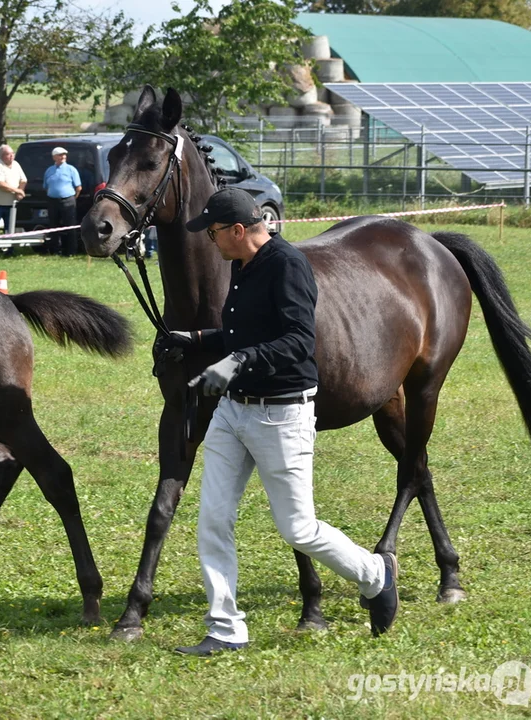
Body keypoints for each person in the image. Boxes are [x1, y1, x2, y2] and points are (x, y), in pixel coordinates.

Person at [161, 187, 399, 657]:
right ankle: (225, 629)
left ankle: (376, 574)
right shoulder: (241, 265)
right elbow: (239, 332)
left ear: (237, 230)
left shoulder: (288, 266)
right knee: (213, 519)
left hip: (281, 413)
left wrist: (237, 360)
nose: (210, 242)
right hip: (233, 412)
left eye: (212, 233)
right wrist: (192, 339)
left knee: (298, 529)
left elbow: (297, 341)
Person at [0, 144, 26, 258]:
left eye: (12, 153)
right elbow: (0, 184)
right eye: (8, 154)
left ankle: (9, 250)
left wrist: (20, 191)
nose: (11, 156)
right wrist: (17, 191)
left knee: (10, 229)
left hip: (11, 205)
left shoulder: (16, 165)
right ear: (2, 156)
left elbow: (23, 180)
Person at [41, 147, 82, 256]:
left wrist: (72, 199)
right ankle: (55, 250)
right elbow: (45, 186)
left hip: (68, 200)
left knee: (70, 226)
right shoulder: (49, 170)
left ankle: (71, 251)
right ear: (54, 157)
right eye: (60, 155)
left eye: (64, 155)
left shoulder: (71, 169)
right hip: (53, 201)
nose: (62, 157)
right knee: (54, 226)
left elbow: (78, 188)